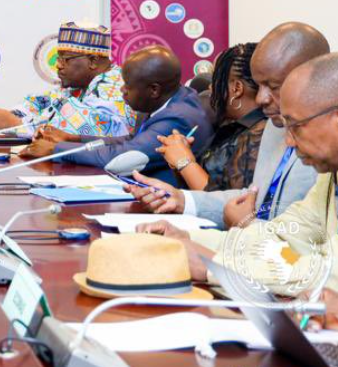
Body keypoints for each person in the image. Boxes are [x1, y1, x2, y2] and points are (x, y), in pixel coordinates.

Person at [138, 52, 338, 296]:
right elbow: (282, 239)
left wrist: (212, 265)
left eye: (296, 126)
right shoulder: (329, 177)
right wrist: (189, 238)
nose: (289, 140)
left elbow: (324, 273)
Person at [125, 23, 324, 228]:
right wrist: (180, 199)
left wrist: (247, 225)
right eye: (259, 85)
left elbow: (302, 238)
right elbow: (251, 197)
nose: (261, 98)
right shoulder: (275, 127)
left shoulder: (323, 150)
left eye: (273, 86)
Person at [46, 46, 214, 185]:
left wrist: (55, 150)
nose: (122, 90)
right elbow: (131, 140)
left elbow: (120, 159)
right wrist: (74, 139)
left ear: (154, 90)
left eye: (128, 85)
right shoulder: (164, 99)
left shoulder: (178, 118)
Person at [0, 23, 135, 149]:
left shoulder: (113, 87)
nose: (58, 65)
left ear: (93, 61)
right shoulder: (79, 83)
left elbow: (84, 132)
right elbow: (43, 103)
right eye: (58, 58)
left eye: (65, 59)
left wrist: (16, 125)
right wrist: (3, 117)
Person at [154, 43, 266, 192]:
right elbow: (195, 191)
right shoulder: (229, 127)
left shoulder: (258, 135)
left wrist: (184, 161)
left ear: (237, 88)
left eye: (216, 80)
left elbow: (225, 201)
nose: (210, 87)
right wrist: (178, 158)